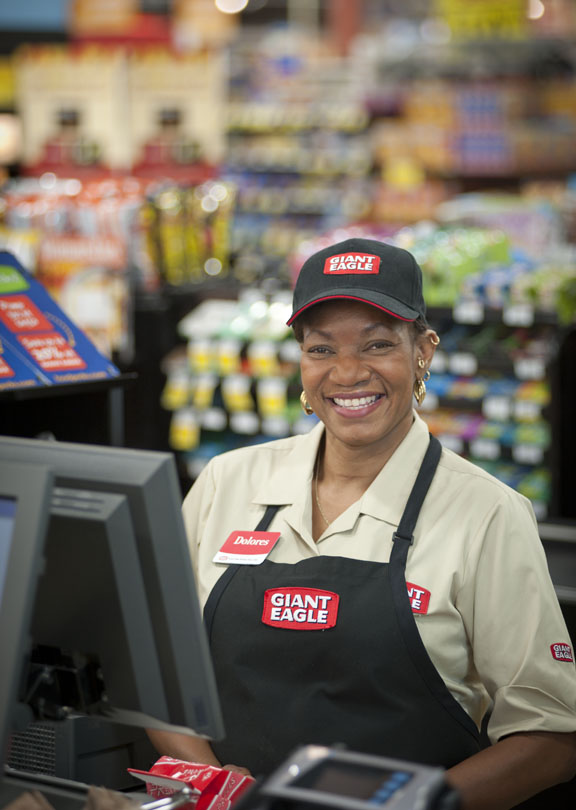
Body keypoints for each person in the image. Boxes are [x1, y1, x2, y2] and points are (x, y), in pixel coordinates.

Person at [147, 238, 576, 809]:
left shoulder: (487, 514)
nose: (348, 373)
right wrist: (221, 797)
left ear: (423, 351)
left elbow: (551, 737)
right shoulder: (229, 482)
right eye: (322, 350)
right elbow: (159, 675)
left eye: (377, 344)